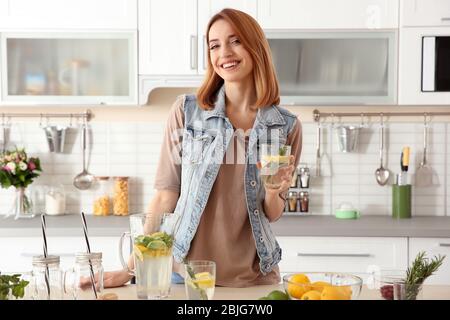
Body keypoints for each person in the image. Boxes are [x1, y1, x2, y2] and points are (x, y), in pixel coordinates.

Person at [103, 8, 302, 288]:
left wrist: (273, 191)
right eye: (214, 45)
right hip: (182, 272)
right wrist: (132, 268)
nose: (225, 53)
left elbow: (273, 212)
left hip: (255, 277)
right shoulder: (186, 112)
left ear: (255, 47)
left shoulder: (285, 126)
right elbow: (164, 198)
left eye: (235, 41)